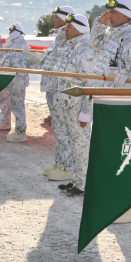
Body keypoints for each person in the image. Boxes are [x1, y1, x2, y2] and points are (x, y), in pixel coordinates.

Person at [91, 0, 131, 224]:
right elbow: (93, 45)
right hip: (108, 104)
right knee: (111, 154)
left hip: (125, 107)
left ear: (127, 15)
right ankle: (116, 200)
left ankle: (128, 207)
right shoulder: (112, 34)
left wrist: (127, 82)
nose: (110, 15)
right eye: (108, 11)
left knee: (126, 155)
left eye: (114, 12)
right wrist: (99, 22)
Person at [41, 13, 97, 196]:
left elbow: (90, 83)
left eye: (68, 27)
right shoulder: (71, 47)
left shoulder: (86, 49)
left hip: (77, 108)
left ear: (79, 30)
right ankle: (77, 180)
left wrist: (86, 112)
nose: (64, 29)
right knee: (75, 145)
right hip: (66, 105)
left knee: (81, 146)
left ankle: (83, 184)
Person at [30, 7, 73, 180]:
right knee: (57, 127)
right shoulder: (59, 38)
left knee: (64, 129)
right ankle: (60, 161)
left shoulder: (66, 39)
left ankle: (67, 166)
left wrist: (33, 57)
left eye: (56, 17)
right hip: (52, 87)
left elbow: (50, 63)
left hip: (59, 88)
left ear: (65, 20)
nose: (53, 20)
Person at [0, 22, 38, 142]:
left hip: (16, 82)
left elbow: (19, 66)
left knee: (18, 107)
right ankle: (19, 130)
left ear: (17, 33)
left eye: (11, 32)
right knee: (17, 106)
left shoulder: (19, 47)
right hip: (15, 81)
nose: (9, 34)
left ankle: (20, 132)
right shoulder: (15, 45)